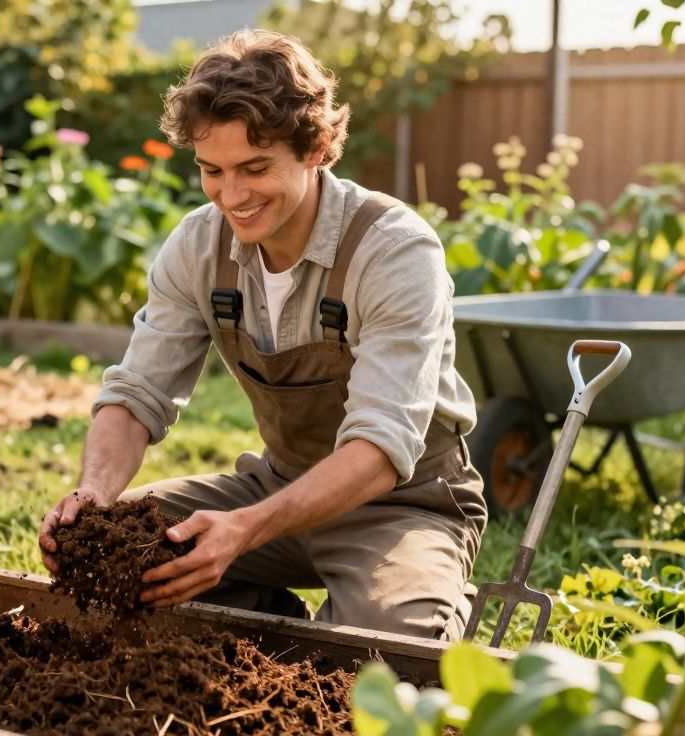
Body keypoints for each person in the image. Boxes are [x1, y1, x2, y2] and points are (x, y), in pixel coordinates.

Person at [38, 28, 487, 639]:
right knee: (113, 552)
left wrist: (246, 528)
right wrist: (92, 495)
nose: (233, 195)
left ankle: (393, 605)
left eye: (255, 168)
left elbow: (382, 449)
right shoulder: (199, 246)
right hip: (279, 484)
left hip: (403, 504)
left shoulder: (393, 250)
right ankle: (267, 620)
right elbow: (137, 392)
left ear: (318, 148)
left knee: (390, 645)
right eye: (212, 170)